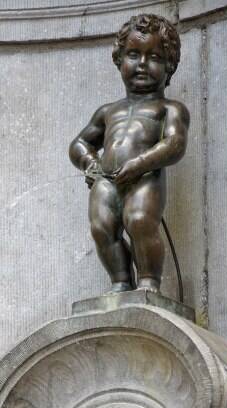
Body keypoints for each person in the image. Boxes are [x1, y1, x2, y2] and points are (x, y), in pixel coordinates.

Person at [69, 14, 189, 294]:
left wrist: (138, 165)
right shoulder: (108, 111)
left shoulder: (170, 109)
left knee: (139, 221)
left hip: (145, 177)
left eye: (155, 57)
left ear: (169, 65)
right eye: (134, 54)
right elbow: (79, 143)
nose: (143, 65)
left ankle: (148, 281)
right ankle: (121, 281)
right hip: (106, 179)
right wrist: (90, 163)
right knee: (102, 228)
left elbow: (175, 144)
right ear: (119, 59)